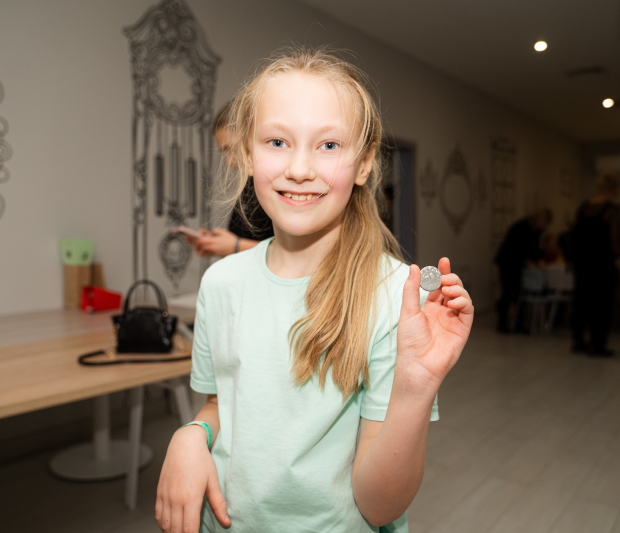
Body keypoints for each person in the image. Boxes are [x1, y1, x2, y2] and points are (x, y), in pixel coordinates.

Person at [155, 48, 474, 533]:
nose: (300, 168)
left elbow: (379, 508)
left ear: (364, 163)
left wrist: (415, 389)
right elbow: (221, 404)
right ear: (247, 155)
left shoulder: (395, 297)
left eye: (328, 145)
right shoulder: (220, 282)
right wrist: (191, 435)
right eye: (277, 141)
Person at [183, 102, 274, 258]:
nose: (228, 161)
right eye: (224, 152)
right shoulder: (249, 184)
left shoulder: (276, 186)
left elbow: (294, 254)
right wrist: (217, 245)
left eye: (231, 149)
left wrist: (235, 246)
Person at [570, 172, 620, 356]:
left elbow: (576, 235)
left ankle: (578, 340)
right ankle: (597, 345)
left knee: (581, 302)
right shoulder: (611, 210)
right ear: (615, 189)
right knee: (602, 304)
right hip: (602, 264)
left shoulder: (584, 206)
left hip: (583, 263)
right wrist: (619, 260)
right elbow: (614, 241)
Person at [493, 208, 552, 333]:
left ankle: (517, 323)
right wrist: (529, 261)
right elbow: (517, 248)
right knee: (508, 292)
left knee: (518, 292)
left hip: (516, 263)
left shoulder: (535, 230)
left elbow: (533, 249)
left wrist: (538, 259)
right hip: (508, 262)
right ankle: (503, 322)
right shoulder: (521, 228)